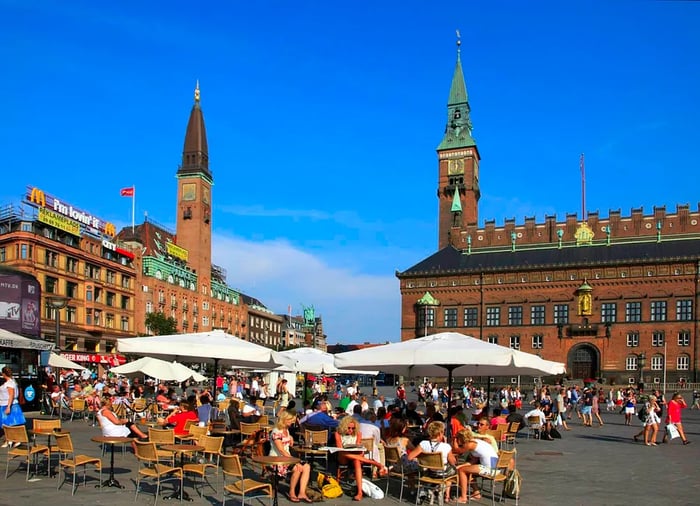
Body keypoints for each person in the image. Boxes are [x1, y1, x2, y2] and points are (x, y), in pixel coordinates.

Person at [334, 415, 388, 501]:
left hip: (354, 456)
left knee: (357, 461)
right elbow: (340, 448)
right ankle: (375, 463)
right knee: (343, 452)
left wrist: (358, 451)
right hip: (343, 456)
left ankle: (360, 492)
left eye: (353, 428)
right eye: (348, 428)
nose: (351, 430)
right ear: (344, 427)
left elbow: (359, 448)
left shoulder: (358, 433)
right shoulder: (338, 434)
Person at [407, 421, 457, 503]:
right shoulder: (446, 446)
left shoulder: (423, 444)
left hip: (429, 472)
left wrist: (422, 459)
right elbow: (452, 462)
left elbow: (410, 457)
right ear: (440, 433)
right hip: (442, 474)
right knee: (454, 470)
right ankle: (446, 495)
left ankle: (431, 488)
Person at [269, 410, 313, 503]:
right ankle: (292, 492)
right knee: (298, 468)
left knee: (307, 467)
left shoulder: (286, 430)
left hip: (286, 456)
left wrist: (290, 438)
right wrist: (294, 461)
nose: (293, 422)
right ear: (285, 419)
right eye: (291, 420)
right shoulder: (276, 431)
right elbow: (281, 449)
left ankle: (301, 492)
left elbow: (287, 446)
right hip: (277, 458)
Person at [453, 427, 499, 503]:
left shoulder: (470, 445)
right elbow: (473, 461)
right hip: (494, 466)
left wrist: (454, 441)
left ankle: (463, 497)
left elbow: (457, 450)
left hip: (489, 469)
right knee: (466, 470)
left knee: (462, 471)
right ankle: (476, 493)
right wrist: (460, 466)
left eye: (458, 438)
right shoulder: (476, 442)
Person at [0, 367, 26, 448]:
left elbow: (11, 395)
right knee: (8, 424)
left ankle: (12, 440)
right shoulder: (11, 382)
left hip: (8, 404)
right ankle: (10, 440)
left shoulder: (9, 383)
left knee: (8, 424)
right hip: (6, 404)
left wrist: (8, 407)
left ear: (4, 374)